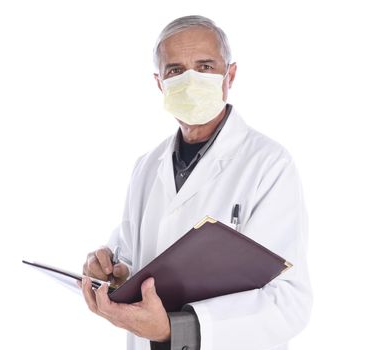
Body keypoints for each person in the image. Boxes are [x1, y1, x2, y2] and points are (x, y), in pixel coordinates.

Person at [80, 15, 313, 350]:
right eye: (175, 71)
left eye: (204, 67)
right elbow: (130, 255)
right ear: (160, 83)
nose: (190, 81)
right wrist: (110, 272)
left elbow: (289, 301)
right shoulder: (147, 167)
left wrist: (177, 328)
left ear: (229, 75)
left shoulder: (269, 164)